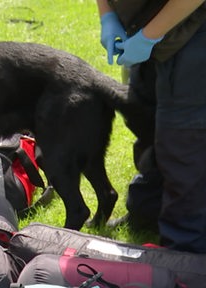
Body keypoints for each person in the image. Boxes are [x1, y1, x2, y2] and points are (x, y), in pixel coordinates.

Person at [96, 0, 206, 253]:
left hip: (193, 26)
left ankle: (186, 252)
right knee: (147, 120)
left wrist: (148, 36)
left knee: (184, 139)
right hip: (146, 23)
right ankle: (149, 212)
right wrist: (108, 15)